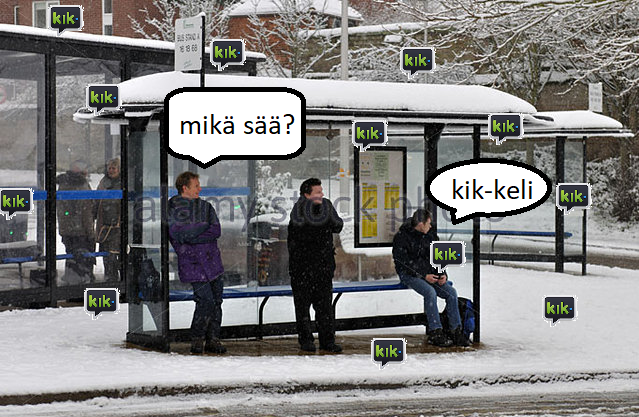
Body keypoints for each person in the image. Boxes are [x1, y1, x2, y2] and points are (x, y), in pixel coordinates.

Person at [392, 209, 470, 347]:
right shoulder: (402, 237)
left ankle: (455, 331)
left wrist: (443, 274)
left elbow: (438, 256)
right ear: (420, 224)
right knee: (430, 292)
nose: (430, 225)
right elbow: (403, 263)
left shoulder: (431, 235)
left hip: (430, 274)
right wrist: (423, 275)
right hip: (409, 274)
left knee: (451, 293)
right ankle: (435, 332)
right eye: (428, 223)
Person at [168, 171, 227, 354]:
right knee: (205, 301)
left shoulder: (206, 206)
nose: (200, 189)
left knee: (216, 301)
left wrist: (192, 234)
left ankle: (213, 339)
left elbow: (216, 230)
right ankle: (197, 338)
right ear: (184, 188)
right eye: (196, 186)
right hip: (193, 263)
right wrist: (202, 228)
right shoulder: (173, 208)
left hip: (212, 262)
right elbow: (178, 234)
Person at [287, 178, 344, 353]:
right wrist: (323, 220)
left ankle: (327, 340)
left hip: (323, 267)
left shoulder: (326, 205)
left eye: (321, 191)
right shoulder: (298, 210)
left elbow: (338, 225)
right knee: (303, 307)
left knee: (325, 307)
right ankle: (306, 340)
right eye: (318, 192)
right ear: (307, 194)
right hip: (302, 269)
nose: (322, 194)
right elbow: (306, 233)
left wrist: (326, 216)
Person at [56, 160, 96, 284]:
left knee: (71, 256)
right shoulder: (81, 185)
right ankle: (81, 283)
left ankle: (71, 279)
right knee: (82, 258)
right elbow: (86, 213)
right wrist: (91, 233)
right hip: (81, 231)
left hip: (67, 230)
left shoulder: (63, 183)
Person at [95, 158, 121, 281]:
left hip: (117, 226)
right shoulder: (103, 182)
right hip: (104, 225)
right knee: (106, 256)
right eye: (109, 168)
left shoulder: (123, 183)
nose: (111, 170)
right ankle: (110, 279)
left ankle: (118, 281)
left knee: (115, 254)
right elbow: (96, 201)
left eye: (114, 168)